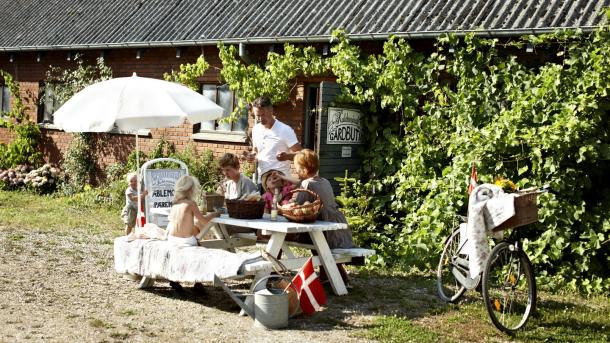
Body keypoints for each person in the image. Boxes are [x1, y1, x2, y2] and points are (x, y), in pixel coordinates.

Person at [278, 149, 355, 285]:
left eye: (297, 169)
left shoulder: (307, 184)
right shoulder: (324, 181)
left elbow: (298, 206)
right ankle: (332, 276)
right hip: (335, 225)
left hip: (323, 228)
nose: (297, 171)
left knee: (281, 235)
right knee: (318, 244)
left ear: (304, 169)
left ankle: (274, 271)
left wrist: (286, 204)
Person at [166, 175, 219, 292]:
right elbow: (204, 220)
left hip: (172, 239)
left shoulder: (175, 203)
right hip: (185, 241)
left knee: (195, 231)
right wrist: (215, 214)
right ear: (191, 190)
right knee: (201, 248)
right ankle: (198, 282)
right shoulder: (191, 203)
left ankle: (175, 280)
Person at [244, 96, 302, 191]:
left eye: (263, 115)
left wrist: (287, 156)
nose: (260, 119)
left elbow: (301, 155)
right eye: (257, 116)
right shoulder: (255, 129)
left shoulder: (285, 130)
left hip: (280, 183)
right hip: (262, 181)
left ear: (271, 110)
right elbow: (256, 150)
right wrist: (252, 156)